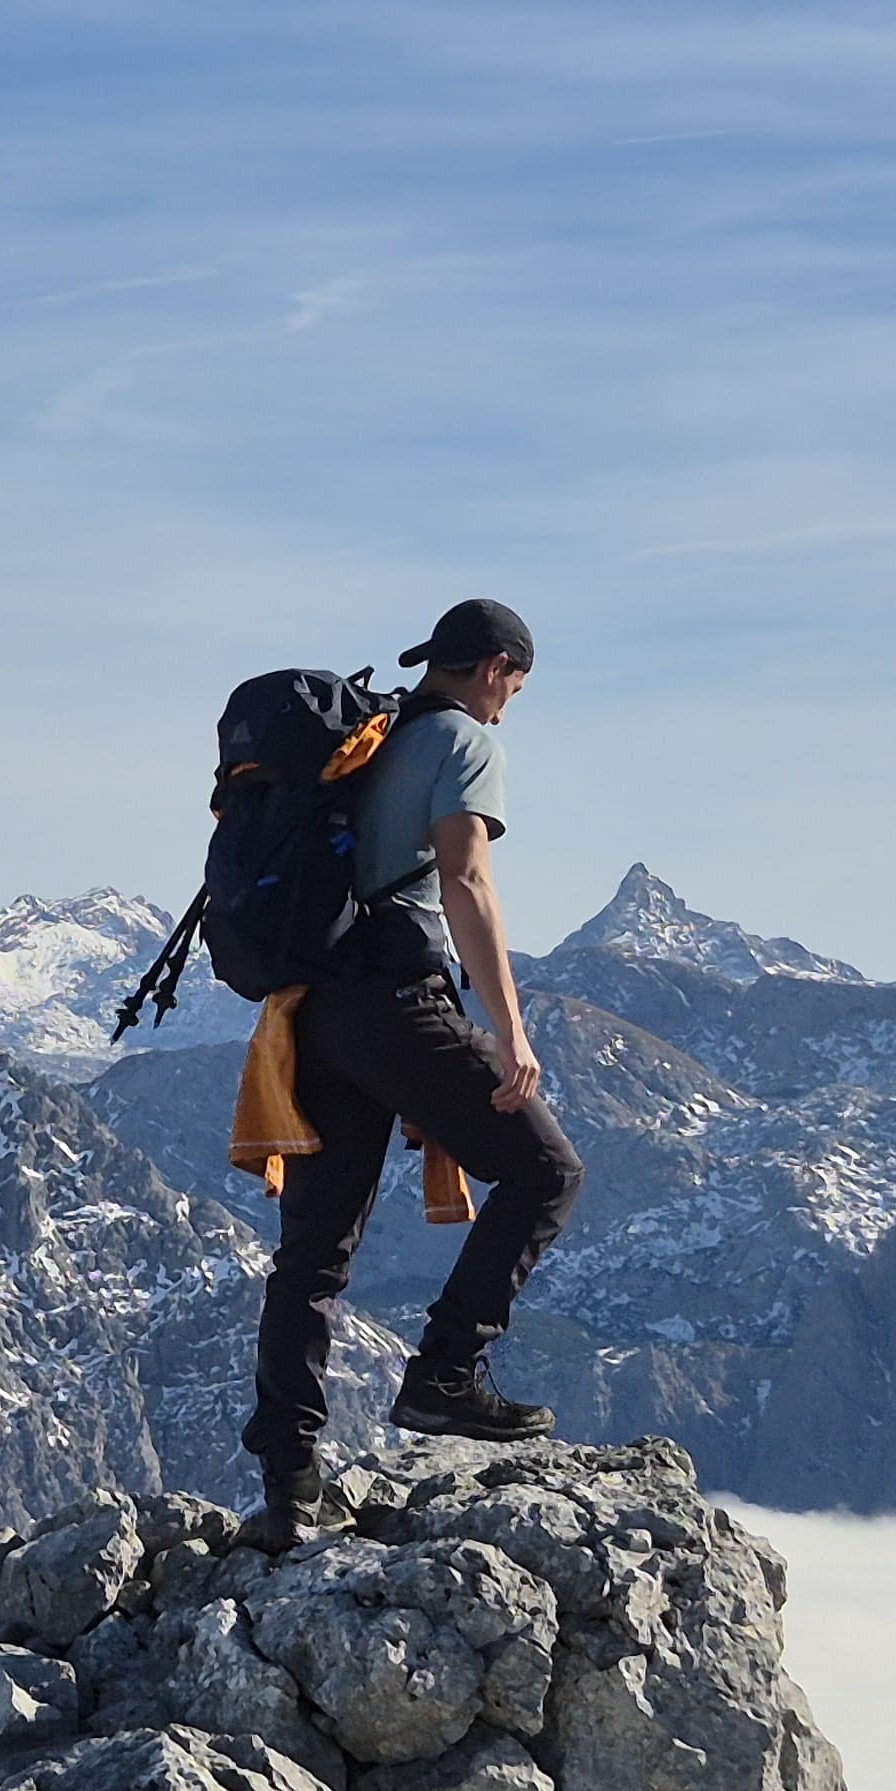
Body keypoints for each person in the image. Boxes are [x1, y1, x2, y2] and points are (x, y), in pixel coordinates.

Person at [241, 596, 582, 1547]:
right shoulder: (465, 745)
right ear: (493, 669)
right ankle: (443, 1377)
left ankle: (289, 1483)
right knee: (547, 1171)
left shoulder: (372, 736)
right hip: (395, 998)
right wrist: (509, 1030)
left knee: (312, 1255)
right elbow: (466, 879)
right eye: (515, 683)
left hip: (313, 1012)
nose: (509, 702)